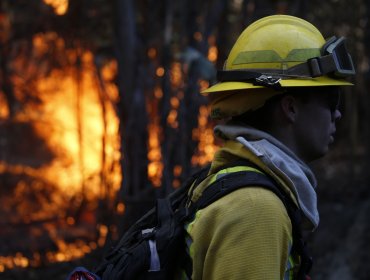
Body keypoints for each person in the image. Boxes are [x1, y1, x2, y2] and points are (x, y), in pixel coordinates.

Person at [183, 15, 355, 280]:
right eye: (331, 99)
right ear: (291, 108)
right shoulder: (256, 209)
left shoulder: (233, 185)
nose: (338, 115)